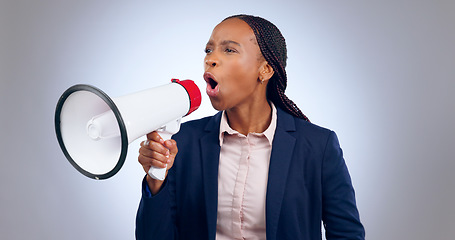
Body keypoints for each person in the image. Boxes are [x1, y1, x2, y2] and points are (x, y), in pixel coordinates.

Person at [136, 14, 365, 240]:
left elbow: (347, 234)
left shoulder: (318, 146)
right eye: (209, 50)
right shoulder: (181, 142)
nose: (211, 59)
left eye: (229, 50)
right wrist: (157, 180)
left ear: (265, 70)